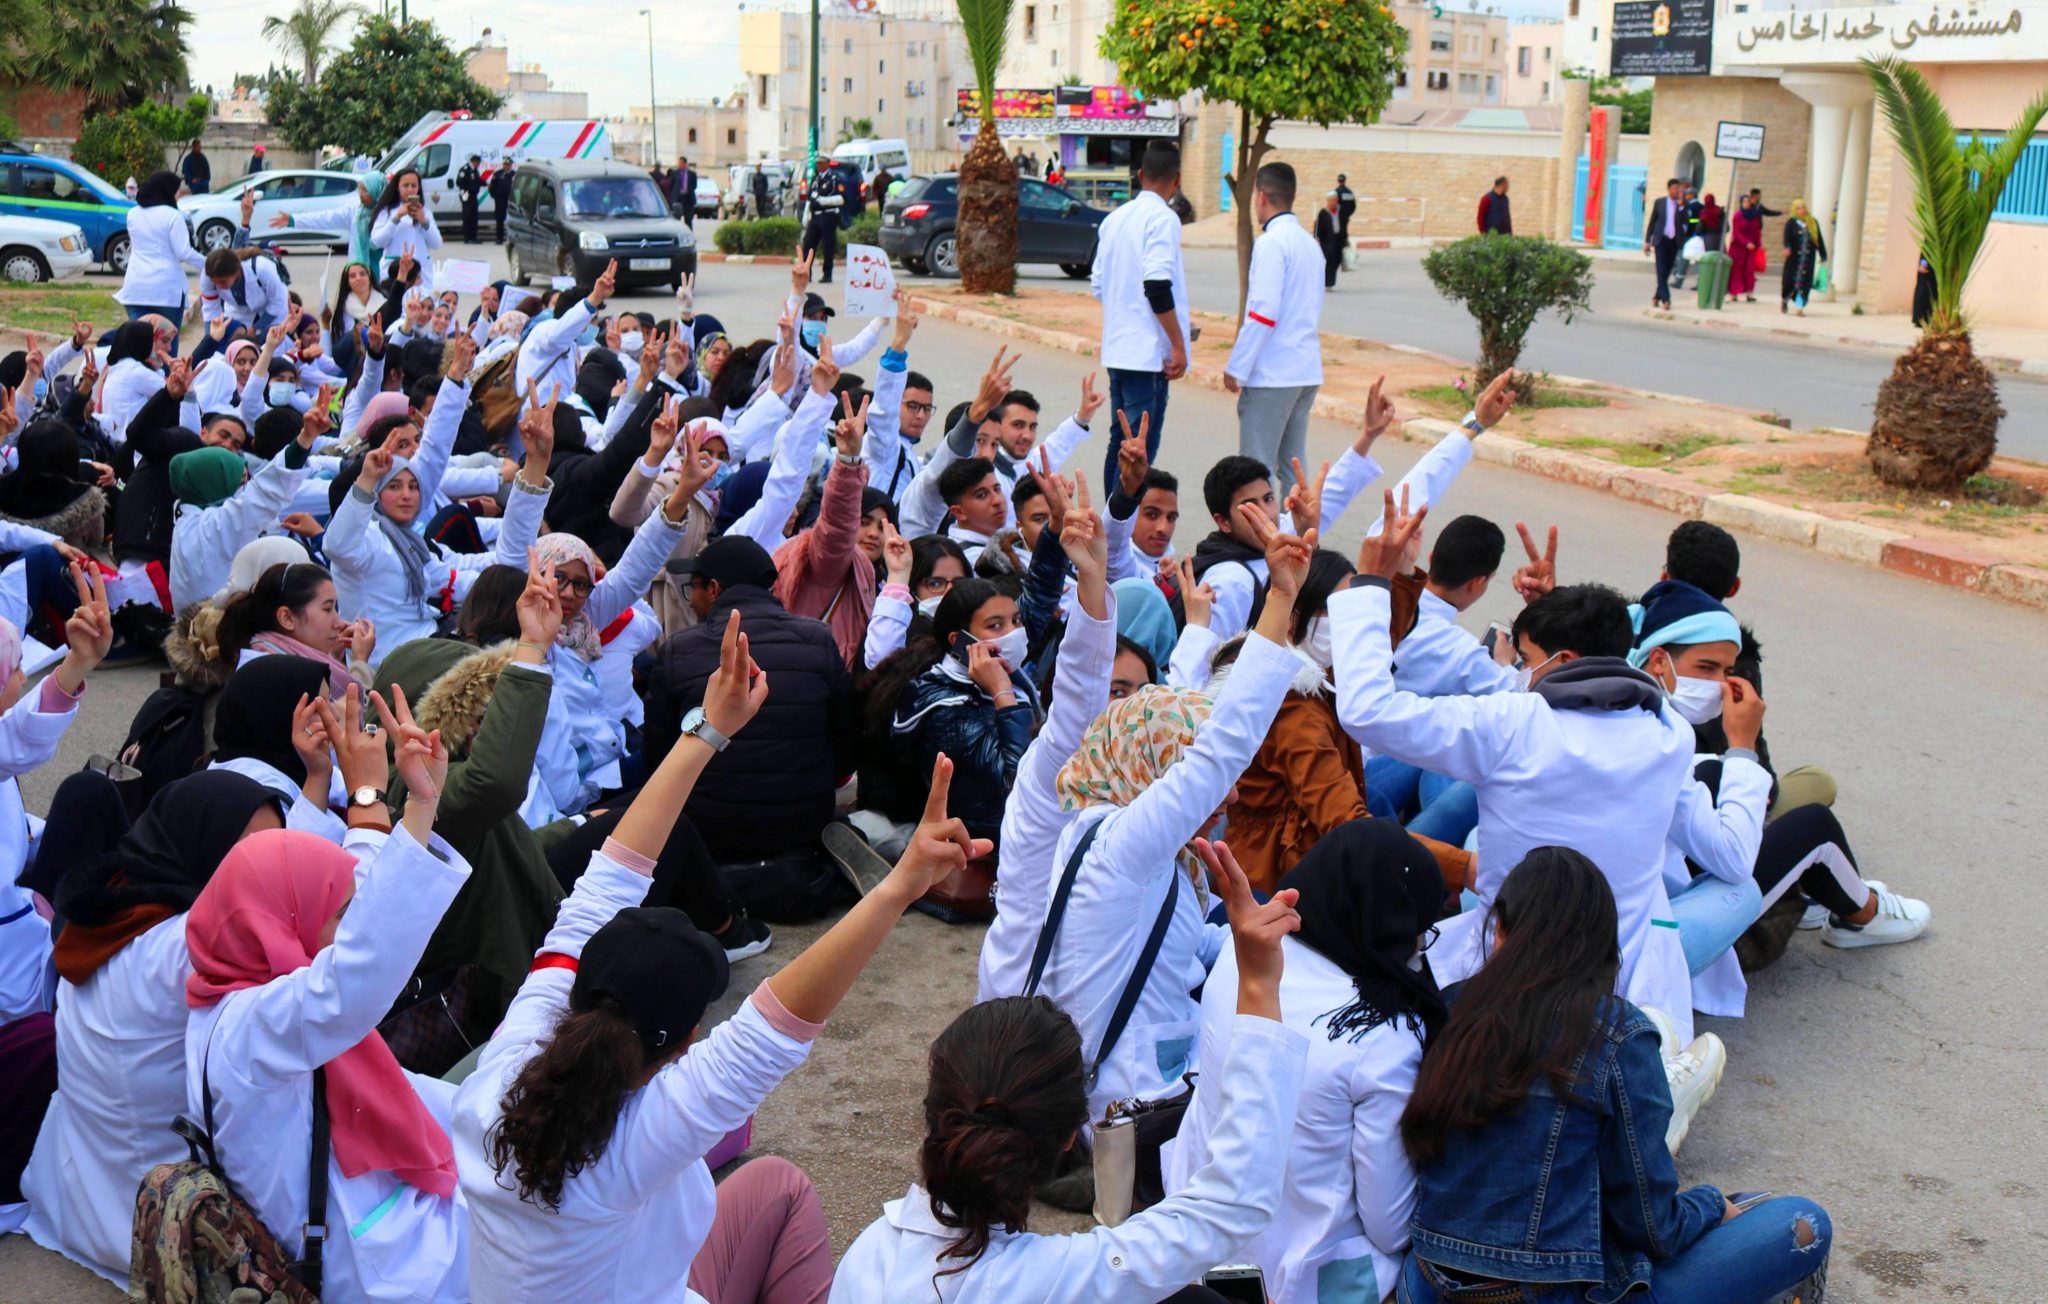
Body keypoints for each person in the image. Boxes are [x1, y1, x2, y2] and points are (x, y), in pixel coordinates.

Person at [458, 611, 987, 1303]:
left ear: (578, 987)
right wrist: (898, 885)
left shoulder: (504, 1068)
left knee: (771, 1182)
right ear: (687, 1041)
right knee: (780, 1187)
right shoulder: (638, 1145)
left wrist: (708, 730)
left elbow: (603, 888)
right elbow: (771, 1027)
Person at [1330, 451, 1713, 1052]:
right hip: (1626, 983)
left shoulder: (1514, 724)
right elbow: (1599, 677)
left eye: (1527, 661)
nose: (1518, 673)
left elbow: (1368, 713)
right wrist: (1556, 612)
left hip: (1508, 975)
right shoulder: (1669, 730)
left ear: (1562, 661)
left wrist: (1373, 584)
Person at [834, 839, 1312, 1302]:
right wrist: (1257, 981)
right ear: (1069, 1138)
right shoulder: (1056, 1282)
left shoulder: (867, 1254)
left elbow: (1231, 1204)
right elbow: (1230, 1204)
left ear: (936, 1112)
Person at [1396, 849, 1833, 1304]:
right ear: (1601, 946)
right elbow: (1652, 1228)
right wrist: (1710, 1204)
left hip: (1425, 1287)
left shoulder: (1451, 1006)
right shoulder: (1618, 1034)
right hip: (1547, 1295)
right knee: (1803, 1222)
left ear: (1500, 927)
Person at [180, 694, 473, 1304]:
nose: (347, 928)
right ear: (282, 922)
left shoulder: (231, 986)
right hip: (359, 1264)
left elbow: (352, 901)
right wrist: (414, 806)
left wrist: (406, 803)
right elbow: (357, 970)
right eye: (337, 916)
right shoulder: (254, 1028)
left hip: (358, 1216)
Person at [1025, 507, 1311, 1128]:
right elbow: (1219, 748)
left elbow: (1180, 940)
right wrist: (1280, 599)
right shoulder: (1122, 846)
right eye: (1210, 786)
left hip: (1141, 1080)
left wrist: (1260, 936)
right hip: (1127, 1110)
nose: (1230, 800)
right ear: (1156, 772)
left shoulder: (1117, 832)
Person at [21, 772, 287, 1286]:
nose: (269, 867)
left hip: (81, 1187)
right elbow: (333, 986)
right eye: (249, 852)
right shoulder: (193, 943)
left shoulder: (115, 905)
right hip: (158, 1220)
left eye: (278, 848)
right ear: (203, 847)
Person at [1169, 825, 1444, 1304]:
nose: (1418, 946)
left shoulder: (1246, 952)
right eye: (1418, 930)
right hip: (1307, 1278)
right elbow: (1390, 1225)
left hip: (1197, 1241)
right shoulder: (1383, 1038)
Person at [641, 536, 859, 919]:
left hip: (707, 838)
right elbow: (847, 745)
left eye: (694, 588)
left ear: (714, 589)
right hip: (800, 833)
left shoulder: (679, 649)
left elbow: (657, 761)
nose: (691, 601)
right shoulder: (818, 639)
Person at [1090, 140, 1189, 485]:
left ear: (1141, 175)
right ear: (1177, 179)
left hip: (1119, 350)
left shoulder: (1113, 220)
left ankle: (1111, 514)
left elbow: (1099, 285)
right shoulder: (1164, 219)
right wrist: (1177, 344)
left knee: (1120, 443)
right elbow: (1157, 284)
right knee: (1138, 452)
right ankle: (1121, 518)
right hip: (1147, 358)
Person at [1225, 163, 1325, 497]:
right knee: (1293, 468)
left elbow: (1263, 313)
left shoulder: (1271, 243)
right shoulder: (1310, 244)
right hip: (1305, 370)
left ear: (1261, 196)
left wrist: (1237, 366)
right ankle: (1298, 528)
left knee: (1256, 469)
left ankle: (1262, 531)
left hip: (1273, 374)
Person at [116, 172, 208, 349]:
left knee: (138, 348)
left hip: (136, 288)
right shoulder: (173, 215)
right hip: (166, 291)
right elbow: (183, 252)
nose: (179, 194)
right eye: (177, 190)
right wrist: (210, 264)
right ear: (167, 190)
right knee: (166, 348)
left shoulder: (133, 213)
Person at [372, 166, 443, 289]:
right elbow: (377, 241)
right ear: (397, 187)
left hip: (421, 275)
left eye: (413, 185)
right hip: (394, 270)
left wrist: (423, 221)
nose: (410, 189)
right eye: (405, 185)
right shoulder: (387, 212)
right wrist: (397, 217)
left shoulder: (425, 213)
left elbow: (437, 243)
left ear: (418, 188)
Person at [1644, 178, 1687, 309]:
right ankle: (1666, 299)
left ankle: (1656, 297)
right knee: (1661, 269)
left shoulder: (1683, 205)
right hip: (1661, 240)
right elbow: (1652, 222)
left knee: (1667, 271)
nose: (1677, 191)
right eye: (1674, 188)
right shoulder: (1660, 202)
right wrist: (1647, 241)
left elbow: (1688, 221)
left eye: (1678, 188)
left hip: (1674, 241)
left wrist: (1681, 207)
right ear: (1669, 189)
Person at [801, 159, 845, 285]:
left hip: (828, 215)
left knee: (827, 246)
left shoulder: (834, 179)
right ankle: (806, 273)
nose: (818, 166)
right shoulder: (815, 179)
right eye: (817, 164)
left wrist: (823, 201)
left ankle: (827, 274)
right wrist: (806, 213)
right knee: (808, 244)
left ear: (826, 164)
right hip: (815, 216)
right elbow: (810, 197)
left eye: (820, 163)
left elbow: (841, 199)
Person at [1781, 199, 1827, 316]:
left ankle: (1800, 307)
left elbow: (1819, 239)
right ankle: (1785, 300)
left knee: (1804, 283)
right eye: (1799, 208)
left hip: (1808, 259)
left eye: (1803, 208)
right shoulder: (1791, 223)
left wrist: (1823, 254)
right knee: (1788, 281)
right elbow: (1787, 238)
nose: (1801, 211)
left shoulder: (1812, 222)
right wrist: (1787, 247)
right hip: (1794, 259)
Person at [1726, 192, 1765, 303]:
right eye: (1744, 202)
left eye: (1748, 201)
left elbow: (1757, 230)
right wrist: (1746, 243)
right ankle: (1734, 293)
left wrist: (1758, 244)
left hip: (1751, 248)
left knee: (1749, 270)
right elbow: (1736, 232)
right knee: (1736, 270)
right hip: (1738, 247)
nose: (1747, 204)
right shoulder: (1738, 215)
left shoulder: (1754, 216)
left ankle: (1749, 293)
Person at [1670, 185, 1703, 291]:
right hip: (1697, 237)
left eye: (1687, 194)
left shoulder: (1692, 206)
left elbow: (1692, 220)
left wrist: (1689, 222)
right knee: (1698, 260)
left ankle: (1678, 281)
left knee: (1683, 259)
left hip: (1689, 236)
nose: (1685, 196)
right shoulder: (1700, 206)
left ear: (1692, 195)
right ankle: (1699, 283)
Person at [1314, 191, 1344, 290]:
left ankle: (1330, 281)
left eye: (1335, 200)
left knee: (1337, 260)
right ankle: (1328, 283)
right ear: (1328, 201)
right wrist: (1317, 240)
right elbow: (1318, 228)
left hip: (1338, 239)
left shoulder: (1340, 211)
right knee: (1329, 261)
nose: (1334, 202)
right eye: (1332, 200)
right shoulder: (1323, 213)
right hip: (1327, 241)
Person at [457, 154, 483, 244]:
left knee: (474, 216)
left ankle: (473, 237)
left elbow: (477, 180)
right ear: (474, 162)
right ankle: (467, 238)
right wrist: (470, 188)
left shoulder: (474, 170)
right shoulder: (465, 169)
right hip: (466, 195)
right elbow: (459, 182)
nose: (479, 165)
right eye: (478, 163)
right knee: (467, 216)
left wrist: (485, 183)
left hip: (473, 196)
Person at [489, 164, 512, 242]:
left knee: (511, 220)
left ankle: (511, 238)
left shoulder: (514, 174)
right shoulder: (497, 174)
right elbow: (491, 187)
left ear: (511, 165)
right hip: (500, 200)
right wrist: (495, 197)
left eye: (508, 165)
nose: (507, 166)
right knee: (499, 219)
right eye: (505, 164)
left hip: (511, 200)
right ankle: (499, 238)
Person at [674, 155, 698, 227]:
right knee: (676, 220)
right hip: (678, 199)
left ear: (685, 164)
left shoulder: (692, 174)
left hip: (688, 199)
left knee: (688, 220)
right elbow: (672, 186)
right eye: (679, 163)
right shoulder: (675, 173)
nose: (679, 165)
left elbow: (694, 186)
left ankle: (688, 232)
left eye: (681, 163)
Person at [1334, 172, 1357, 241]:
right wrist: (1348, 214)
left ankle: (1341, 244)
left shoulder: (1336, 191)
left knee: (1339, 232)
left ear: (1338, 181)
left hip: (1338, 216)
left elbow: (1334, 205)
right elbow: (1354, 206)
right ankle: (1345, 242)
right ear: (1345, 180)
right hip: (1346, 216)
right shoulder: (1349, 192)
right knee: (1344, 230)